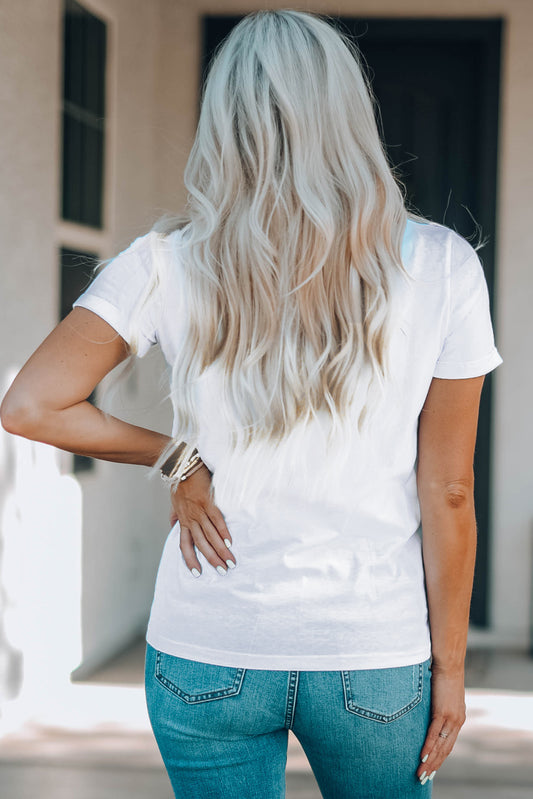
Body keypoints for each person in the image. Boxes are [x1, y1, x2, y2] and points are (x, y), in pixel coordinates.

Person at [0, 9, 502, 799]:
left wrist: (178, 458)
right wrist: (450, 668)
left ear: (224, 121)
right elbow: (449, 490)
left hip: (208, 645)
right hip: (370, 652)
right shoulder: (441, 265)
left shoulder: (165, 261)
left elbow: (31, 404)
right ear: (348, 112)